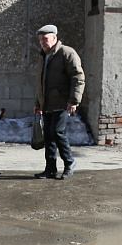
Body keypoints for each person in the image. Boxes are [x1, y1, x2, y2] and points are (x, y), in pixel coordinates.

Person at [33, 24, 85, 180]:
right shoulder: (43, 56)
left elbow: (78, 77)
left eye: (46, 39)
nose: (43, 42)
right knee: (48, 136)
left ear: (54, 38)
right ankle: (50, 169)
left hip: (62, 103)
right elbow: (40, 82)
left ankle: (70, 162)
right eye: (41, 39)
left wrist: (74, 100)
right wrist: (38, 103)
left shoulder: (67, 53)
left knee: (57, 132)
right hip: (47, 103)